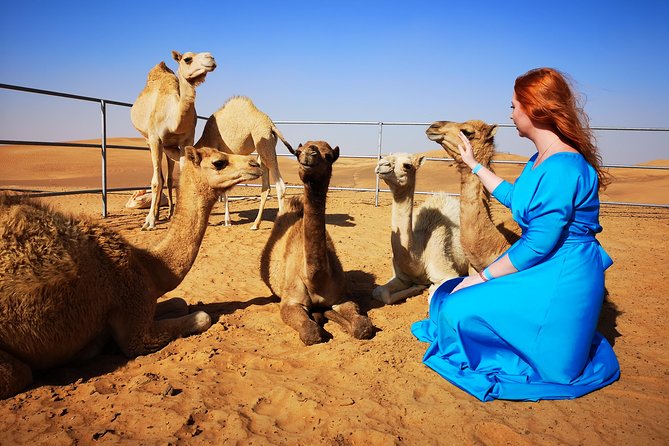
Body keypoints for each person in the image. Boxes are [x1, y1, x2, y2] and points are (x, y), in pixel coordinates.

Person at [411, 67, 620, 402]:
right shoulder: (541, 159)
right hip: (546, 264)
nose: (510, 114)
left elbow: (538, 243)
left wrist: (483, 277)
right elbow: (515, 199)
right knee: (448, 297)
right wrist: (474, 165)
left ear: (533, 109)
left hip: (561, 275)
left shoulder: (563, 167)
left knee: (456, 309)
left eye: (513, 106)